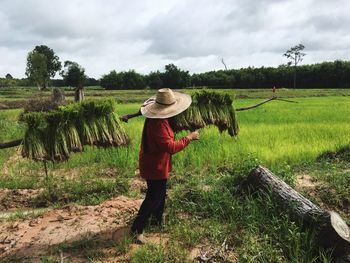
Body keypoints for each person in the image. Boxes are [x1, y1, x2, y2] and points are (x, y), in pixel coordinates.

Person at [113, 88, 199, 243]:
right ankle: (136, 230)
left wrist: (131, 115)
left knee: (160, 192)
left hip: (158, 163)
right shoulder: (158, 124)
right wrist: (189, 138)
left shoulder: (159, 118)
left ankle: (156, 220)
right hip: (154, 166)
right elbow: (171, 147)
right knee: (153, 197)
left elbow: (142, 111)